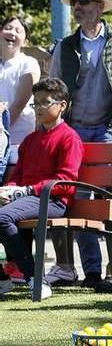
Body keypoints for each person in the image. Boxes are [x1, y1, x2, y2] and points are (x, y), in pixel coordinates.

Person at [49, 0, 112, 293]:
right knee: (81, 199)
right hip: (76, 130)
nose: (79, 8)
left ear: (99, 7)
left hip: (110, 129)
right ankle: (93, 272)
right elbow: (55, 88)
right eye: (76, 3)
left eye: (85, 2)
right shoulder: (65, 46)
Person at [0, 78, 83, 300]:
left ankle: (35, 279)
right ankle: (2, 279)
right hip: (28, 199)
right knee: (3, 211)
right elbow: (17, 177)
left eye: (44, 102)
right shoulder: (30, 140)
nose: (38, 108)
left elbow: (65, 180)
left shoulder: (69, 138)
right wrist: (8, 190)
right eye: (35, 103)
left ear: (62, 105)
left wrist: (25, 191)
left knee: (2, 217)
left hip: (53, 201)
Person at [0, 16, 40, 164]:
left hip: (19, 141)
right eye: (8, 28)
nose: (12, 33)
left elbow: (19, 104)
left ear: (25, 40)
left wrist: (1, 130)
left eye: (18, 31)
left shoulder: (28, 63)